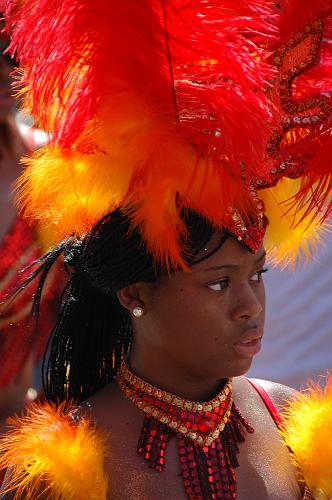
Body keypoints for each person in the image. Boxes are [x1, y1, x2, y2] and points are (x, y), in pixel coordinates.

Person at [0, 0, 331, 499]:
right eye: (218, 283)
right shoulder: (68, 472)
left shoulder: (294, 432)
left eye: (257, 275)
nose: (251, 307)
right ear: (136, 294)